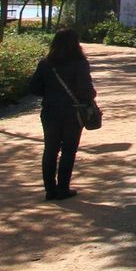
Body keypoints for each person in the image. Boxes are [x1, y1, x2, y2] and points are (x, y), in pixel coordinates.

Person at [27, 28, 97, 201]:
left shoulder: (45, 63)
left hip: (50, 111)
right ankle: (63, 188)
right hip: (73, 112)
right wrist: (89, 98)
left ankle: (50, 190)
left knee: (50, 150)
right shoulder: (79, 62)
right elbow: (86, 91)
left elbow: (34, 88)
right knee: (68, 150)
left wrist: (51, 94)